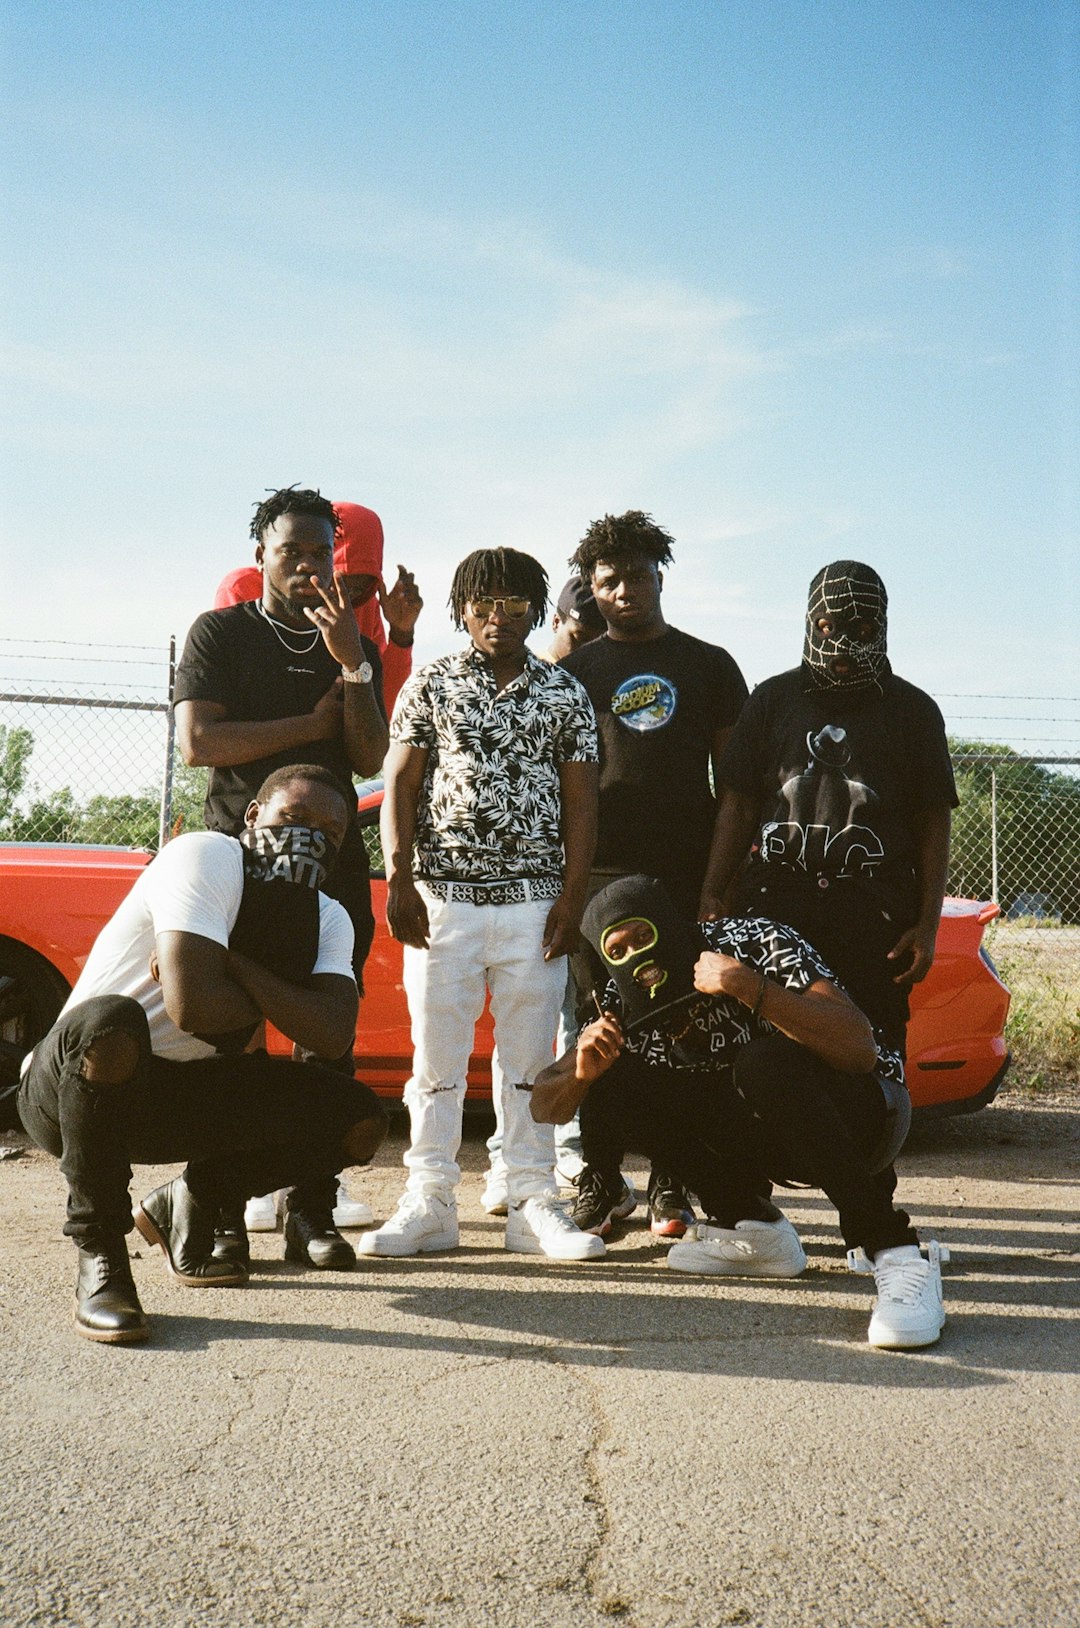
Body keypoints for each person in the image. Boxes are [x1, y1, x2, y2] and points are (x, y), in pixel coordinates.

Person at [16, 767, 388, 1345]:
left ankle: (192, 1200)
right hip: (76, 1088)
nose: (310, 837)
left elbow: (333, 1033)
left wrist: (233, 965)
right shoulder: (206, 856)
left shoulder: (328, 917)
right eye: (293, 819)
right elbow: (195, 1008)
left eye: (330, 832)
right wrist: (277, 999)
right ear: (252, 818)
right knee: (112, 1021)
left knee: (359, 1121)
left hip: (182, 1095)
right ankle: (103, 1257)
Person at [531, 875, 948, 1350]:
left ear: (674, 928)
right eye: (620, 950)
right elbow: (544, 1104)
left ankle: (897, 1254)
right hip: (762, 1135)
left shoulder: (751, 942)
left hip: (863, 1117)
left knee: (763, 1062)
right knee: (615, 1078)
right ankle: (754, 1228)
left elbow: (860, 1050)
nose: (640, 962)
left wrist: (749, 988)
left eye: (646, 938)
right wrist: (583, 1073)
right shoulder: (623, 1002)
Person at [359, 549, 603, 1262]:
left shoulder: (562, 693)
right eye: (484, 604)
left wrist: (572, 896)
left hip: (534, 904)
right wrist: (400, 878)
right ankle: (429, 1201)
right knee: (436, 1061)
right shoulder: (431, 683)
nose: (499, 616)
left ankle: (531, 1199)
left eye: (515, 604)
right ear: (462, 608)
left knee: (529, 1058)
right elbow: (399, 786)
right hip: (444, 904)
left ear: (537, 608)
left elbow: (581, 801)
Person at [174, 485, 390, 1235]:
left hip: (330, 868)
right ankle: (218, 1209)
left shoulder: (349, 642)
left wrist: (352, 665)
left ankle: (312, 1208)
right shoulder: (221, 635)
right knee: (231, 1039)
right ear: (260, 555)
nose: (306, 566)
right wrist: (307, 723)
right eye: (289, 551)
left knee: (328, 1034)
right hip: (242, 867)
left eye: (319, 553)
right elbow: (201, 744)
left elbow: (368, 756)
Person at [560, 511, 749, 1239]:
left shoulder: (709, 665)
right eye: (607, 582)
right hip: (599, 873)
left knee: (681, 1023)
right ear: (591, 592)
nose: (624, 591)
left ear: (659, 576)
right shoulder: (575, 673)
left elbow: (736, 787)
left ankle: (674, 1181)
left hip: (683, 868)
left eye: (636, 575)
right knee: (597, 1025)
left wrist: (717, 881)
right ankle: (602, 1177)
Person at [699, 560, 957, 1056]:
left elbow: (933, 820)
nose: (841, 644)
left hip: (873, 912)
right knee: (768, 1043)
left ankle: (871, 1133)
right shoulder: (772, 700)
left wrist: (927, 925)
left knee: (872, 1050)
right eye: (827, 627)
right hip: (776, 906)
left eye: (860, 629)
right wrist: (714, 891)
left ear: (882, 625)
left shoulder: (913, 711)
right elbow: (738, 804)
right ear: (809, 622)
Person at [479, 574, 607, 1215]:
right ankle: (509, 1162)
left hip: (571, 885)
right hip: (492, 888)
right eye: (580, 636)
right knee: (527, 1031)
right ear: (554, 623)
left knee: (559, 1027)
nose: (589, 651)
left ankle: (565, 1158)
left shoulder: (575, 692)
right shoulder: (512, 684)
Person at [213, 498, 423, 718]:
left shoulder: (363, 607)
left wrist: (401, 635)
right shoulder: (242, 588)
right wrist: (316, 725)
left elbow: (381, 713)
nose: (343, 598)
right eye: (336, 583)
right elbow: (237, 702)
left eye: (357, 589)